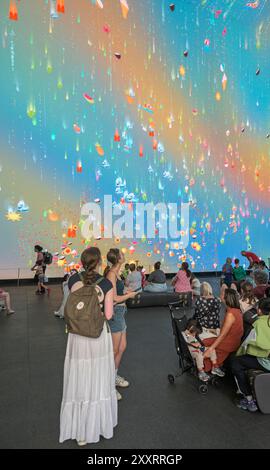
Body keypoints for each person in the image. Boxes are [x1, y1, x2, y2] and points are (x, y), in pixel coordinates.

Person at [59, 247, 117, 446]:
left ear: (82, 262)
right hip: (97, 335)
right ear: (99, 262)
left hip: (77, 336)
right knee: (97, 378)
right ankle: (97, 426)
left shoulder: (74, 279)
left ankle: (80, 431)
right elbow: (108, 315)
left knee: (79, 378)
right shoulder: (107, 284)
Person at [104, 249, 137, 401]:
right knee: (114, 349)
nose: (124, 255)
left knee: (122, 347)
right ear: (117, 258)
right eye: (121, 254)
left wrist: (125, 290)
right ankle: (108, 384)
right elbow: (113, 298)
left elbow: (118, 291)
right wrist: (128, 295)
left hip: (121, 313)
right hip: (115, 313)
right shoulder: (111, 274)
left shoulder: (117, 273)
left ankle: (114, 375)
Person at [231, 298, 270, 412]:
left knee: (236, 362)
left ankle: (248, 399)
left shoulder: (257, 324)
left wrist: (239, 353)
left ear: (258, 310)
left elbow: (245, 344)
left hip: (266, 362)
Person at [203, 289, 244, 371]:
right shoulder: (237, 310)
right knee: (205, 341)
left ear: (226, 298)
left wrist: (210, 349)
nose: (220, 295)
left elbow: (222, 336)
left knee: (204, 346)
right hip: (234, 342)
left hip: (228, 343)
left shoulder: (230, 314)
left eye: (222, 294)